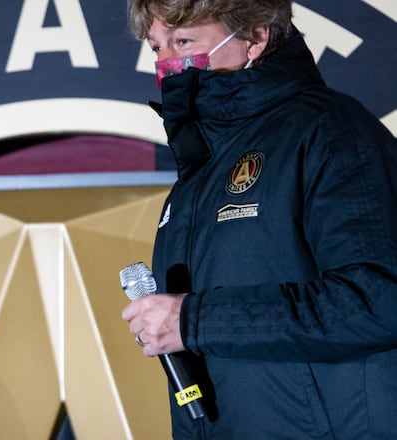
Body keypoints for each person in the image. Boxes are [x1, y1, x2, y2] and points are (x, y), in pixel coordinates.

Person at [120, 0, 397, 438]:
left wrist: (193, 320)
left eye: (184, 41)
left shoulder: (329, 129)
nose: (167, 62)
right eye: (157, 47)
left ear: (254, 37)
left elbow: (379, 299)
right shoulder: (200, 169)